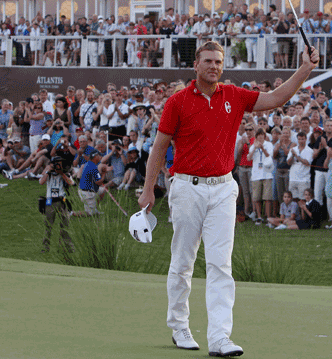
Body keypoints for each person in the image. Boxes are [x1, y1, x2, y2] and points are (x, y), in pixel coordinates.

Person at [137, 40, 318, 356]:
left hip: (223, 188)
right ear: (196, 65)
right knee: (183, 262)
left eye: (218, 62)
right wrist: (149, 189)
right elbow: (159, 147)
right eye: (208, 61)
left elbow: (277, 97)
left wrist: (304, 68)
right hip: (187, 187)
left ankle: (220, 338)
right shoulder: (177, 102)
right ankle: (179, 327)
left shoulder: (234, 95)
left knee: (221, 265)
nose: (214, 67)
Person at [39, 156, 75, 253]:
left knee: (65, 225)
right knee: (48, 226)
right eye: (57, 163)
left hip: (62, 201)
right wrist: (48, 170)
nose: (59, 165)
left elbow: (71, 183)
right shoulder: (48, 173)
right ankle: (45, 247)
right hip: (50, 201)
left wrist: (62, 173)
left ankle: (66, 247)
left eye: (60, 163)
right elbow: (41, 182)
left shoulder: (65, 173)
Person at [248, 128, 274, 225]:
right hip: (256, 174)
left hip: (267, 173)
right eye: (258, 134)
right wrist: (255, 147)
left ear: (264, 135)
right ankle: (259, 217)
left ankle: (268, 218)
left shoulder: (269, 144)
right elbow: (249, 158)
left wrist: (262, 147)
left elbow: (269, 156)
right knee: (257, 198)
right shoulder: (253, 146)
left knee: (267, 198)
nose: (260, 136)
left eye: (261, 134)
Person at [73, 149, 107, 217]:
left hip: (86, 190)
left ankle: (94, 208)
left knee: (103, 190)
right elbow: (98, 182)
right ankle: (71, 213)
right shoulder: (93, 167)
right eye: (99, 156)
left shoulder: (89, 164)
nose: (100, 157)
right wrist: (104, 174)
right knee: (90, 214)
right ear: (95, 157)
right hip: (87, 193)